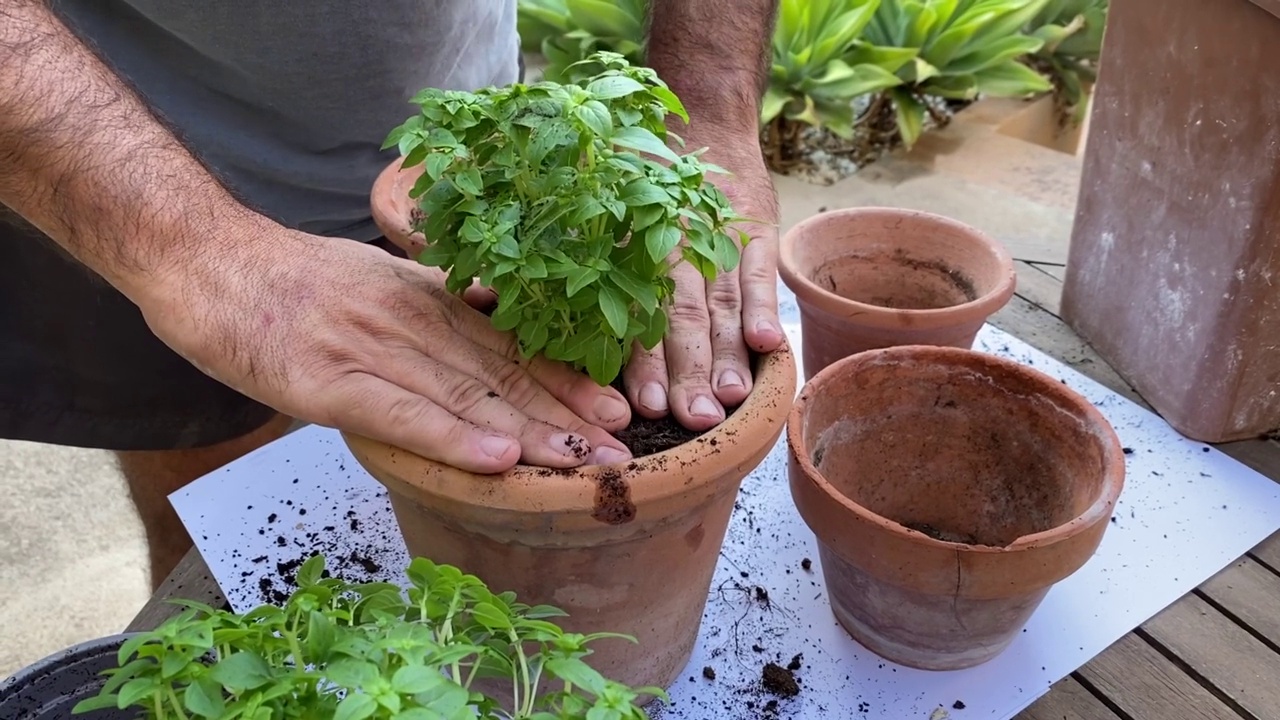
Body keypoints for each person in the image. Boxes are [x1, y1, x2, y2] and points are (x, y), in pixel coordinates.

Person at [0, 0, 783, 588]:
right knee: (214, 534)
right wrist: (194, 250)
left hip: (466, 151)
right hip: (109, 169)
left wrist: (708, 99)